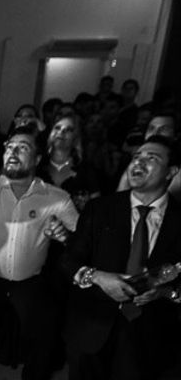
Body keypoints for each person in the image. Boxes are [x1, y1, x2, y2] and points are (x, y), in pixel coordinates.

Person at [0, 126, 79, 380]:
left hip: (29, 282)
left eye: (23, 147)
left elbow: (83, 238)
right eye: (9, 146)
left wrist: (66, 237)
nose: (13, 151)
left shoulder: (57, 197)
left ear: (38, 158)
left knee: (44, 340)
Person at [62, 136, 181, 380]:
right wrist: (98, 277)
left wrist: (164, 292)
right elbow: (68, 260)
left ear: (172, 172)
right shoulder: (100, 209)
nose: (139, 163)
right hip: (92, 326)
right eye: (137, 157)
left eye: (152, 158)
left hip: (148, 334)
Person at [37, 114, 100, 212]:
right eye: (57, 128)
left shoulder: (86, 169)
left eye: (69, 130)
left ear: (76, 138)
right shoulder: (38, 165)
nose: (61, 132)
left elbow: (97, 206)